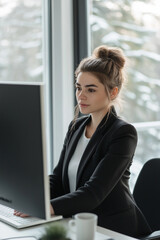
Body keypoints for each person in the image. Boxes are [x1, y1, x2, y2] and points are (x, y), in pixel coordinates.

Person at [15, 45, 152, 238]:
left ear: (112, 92)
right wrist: (32, 197)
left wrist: (48, 207)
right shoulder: (76, 127)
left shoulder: (123, 133)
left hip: (114, 228)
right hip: (76, 223)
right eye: (78, 88)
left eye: (91, 89)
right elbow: (58, 179)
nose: (81, 95)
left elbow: (94, 192)